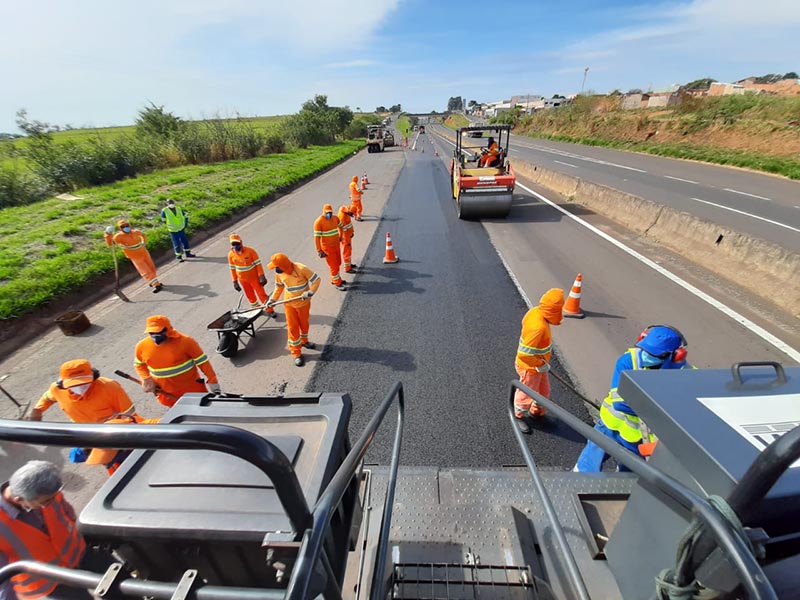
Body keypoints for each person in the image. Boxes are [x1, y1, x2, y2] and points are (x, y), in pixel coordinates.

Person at [573, 325, 693, 472]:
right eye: (645, 349)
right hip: (611, 427)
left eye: (654, 354)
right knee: (586, 467)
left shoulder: (686, 374)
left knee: (628, 478)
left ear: (676, 355)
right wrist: (661, 409)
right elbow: (620, 403)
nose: (645, 355)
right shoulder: (628, 361)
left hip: (639, 440)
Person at [0, 461, 113, 600]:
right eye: (46, 501)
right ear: (19, 499)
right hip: (51, 582)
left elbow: (68, 514)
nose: (51, 502)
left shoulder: (47, 492)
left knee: (122, 589)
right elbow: (3, 576)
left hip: (82, 555)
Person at [134, 315, 220, 407]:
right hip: (166, 394)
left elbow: (203, 362)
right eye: (151, 332)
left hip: (192, 390)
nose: (155, 335)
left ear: (168, 329)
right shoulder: (142, 346)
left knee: (203, 411)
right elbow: (139, 364)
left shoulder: (186, 342)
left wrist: (212, 381)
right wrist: (146, 378)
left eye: (159, 331)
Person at [513, 289, 565, 434]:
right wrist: (540, 365)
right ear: (553, 310)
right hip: (530, 368)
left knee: (543, 391)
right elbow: (524, 355)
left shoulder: (536, 311)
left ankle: (537, 413)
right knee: (526, 393)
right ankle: (519, 416)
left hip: (538, 366)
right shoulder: (538, 328)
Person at [266, 253, 321, 367]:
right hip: (289, 304)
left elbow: (316, 280)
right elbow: (279, 287)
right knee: (292, 327)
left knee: (304, 324)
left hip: (303, 303)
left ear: (284, 265)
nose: (276, 269)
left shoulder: (301, 268)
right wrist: (272, 300)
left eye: (277, 266)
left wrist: (310, 292)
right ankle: (296, 353)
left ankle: (304, 341)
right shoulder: (279, 273)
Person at [104, 219, 163, 293]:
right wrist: (107, 234)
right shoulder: (118, 236)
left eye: (127, 225)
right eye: (123, 226)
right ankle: (156, 284)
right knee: (145, 271)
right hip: (134, 256)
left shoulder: (135, 232)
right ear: (120, 228)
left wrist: (143, 242)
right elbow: (110, 244)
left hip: (144, 253)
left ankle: (153, 281)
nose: (126, 227)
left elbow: (143, 235)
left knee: (152, 268)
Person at [227, 234, 274, 317]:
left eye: (237, 243)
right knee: (250, 295)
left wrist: (262, 276)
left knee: (261, 294)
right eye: (233, 244)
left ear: (241, 242)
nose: (236, 246)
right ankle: (256, 309)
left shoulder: (250, 251)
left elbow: (258, 264)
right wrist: (235, 281)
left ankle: (269, 310)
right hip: (243, 280)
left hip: (254, 278)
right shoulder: (230, 255)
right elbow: (232, 269)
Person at [313, 204, 346, 290]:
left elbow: (341, 226)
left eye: (330, 213)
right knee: (333, 265)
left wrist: (340, 236)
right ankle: (337, 283)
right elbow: (317, 238)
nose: (329, 215)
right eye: (327, 213)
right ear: (323, 212)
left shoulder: (335, 218)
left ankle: (335, 279)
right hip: (327, 248)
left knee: (338, 263)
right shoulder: (319, 222)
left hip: (336, 245)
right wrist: (319, 250)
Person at [337, 204, 356, 273]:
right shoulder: (342, 217)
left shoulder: (346, 211)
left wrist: (352, 232)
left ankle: (349, 264)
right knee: (346, 251)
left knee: (349, 250)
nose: (351, 215)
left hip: (348, 235)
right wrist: (344, 237)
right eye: (351, 214)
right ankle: (347, 268)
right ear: (349, 211)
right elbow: (343, 229)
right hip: (345, 237)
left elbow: (349, 224)